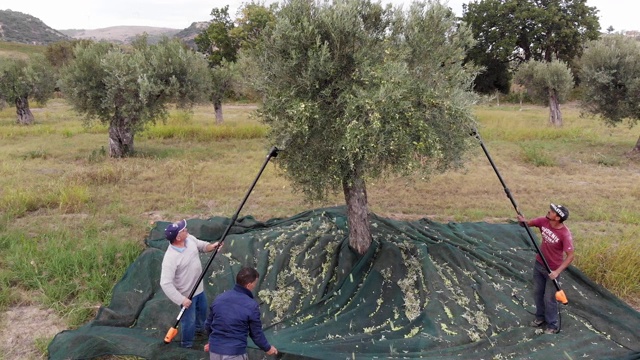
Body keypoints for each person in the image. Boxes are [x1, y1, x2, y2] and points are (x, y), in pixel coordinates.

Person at [160, 219, 221, 348]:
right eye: (183, 230)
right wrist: (181, 299)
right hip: (186, 296)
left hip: (199, 289)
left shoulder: (189, 239)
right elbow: (165, 283)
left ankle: (200, 331)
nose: (186, 229)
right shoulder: (170, 258)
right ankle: (186, 345)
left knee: (203, 312)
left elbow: (203, 246)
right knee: (189, 322)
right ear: (177, 237)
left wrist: (213, 246)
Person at [517, 203, 574, 335]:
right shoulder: (543, 221)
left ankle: (552, 325)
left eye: (553, 211)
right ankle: (540, 318)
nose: (549, 211)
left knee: (549, 298)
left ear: (558, 218)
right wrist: (522, 221)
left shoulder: (565, 234)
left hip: (552, 270)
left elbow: (570, 256)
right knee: (537, 292)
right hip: (539, 264)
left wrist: (557, 272)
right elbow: (526, 224)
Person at [204, 266, 278, 359]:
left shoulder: (220, 298)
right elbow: (256, 333)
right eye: (255, 283)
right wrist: (268, 348)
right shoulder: (251, 305)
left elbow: (208, 325)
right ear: (249, 285)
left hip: (215, 352)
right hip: (234, 353)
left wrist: (212, 342)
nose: (255, 285)